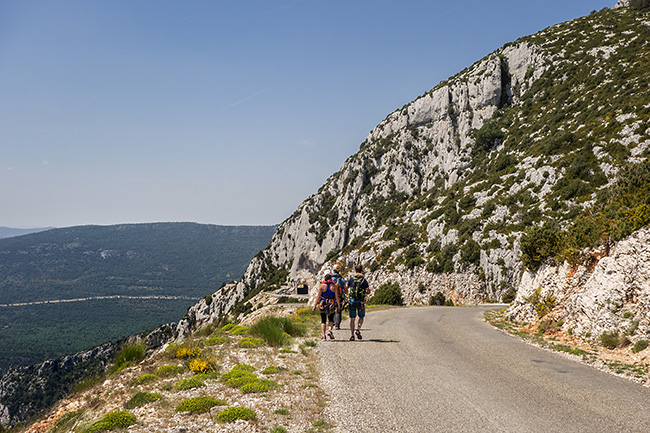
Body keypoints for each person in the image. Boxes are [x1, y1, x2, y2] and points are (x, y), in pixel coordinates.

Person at [312, 272, 341, 341]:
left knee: (323, 320)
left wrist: (314, 306)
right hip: (331, 303)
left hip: (323, 303)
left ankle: (323, 336)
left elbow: (318, 297)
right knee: (331, 319)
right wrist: (339, 306)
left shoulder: (322, 286)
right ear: (330, 278)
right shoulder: (334, 286)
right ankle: (330, 330)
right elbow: (337, 297)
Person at [347, 264, 370, 341]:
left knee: (352, 319)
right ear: (362, 271)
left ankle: (352, 335)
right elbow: (368, 291)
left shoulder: (351, 279)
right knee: (361, 317)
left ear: (355, 270)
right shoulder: (364, 280)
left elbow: (347, 288)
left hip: (352, 301)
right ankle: (358, 330)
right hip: (361, 301)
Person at [331, 264, 347, 330]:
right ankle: (337, 325)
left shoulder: (331, 278)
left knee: (332, 309)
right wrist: (346, 293)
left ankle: (332, 322)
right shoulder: (341, 279)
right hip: (339, 296)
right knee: (338, 309)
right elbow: (345, 288)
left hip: (331, 296)